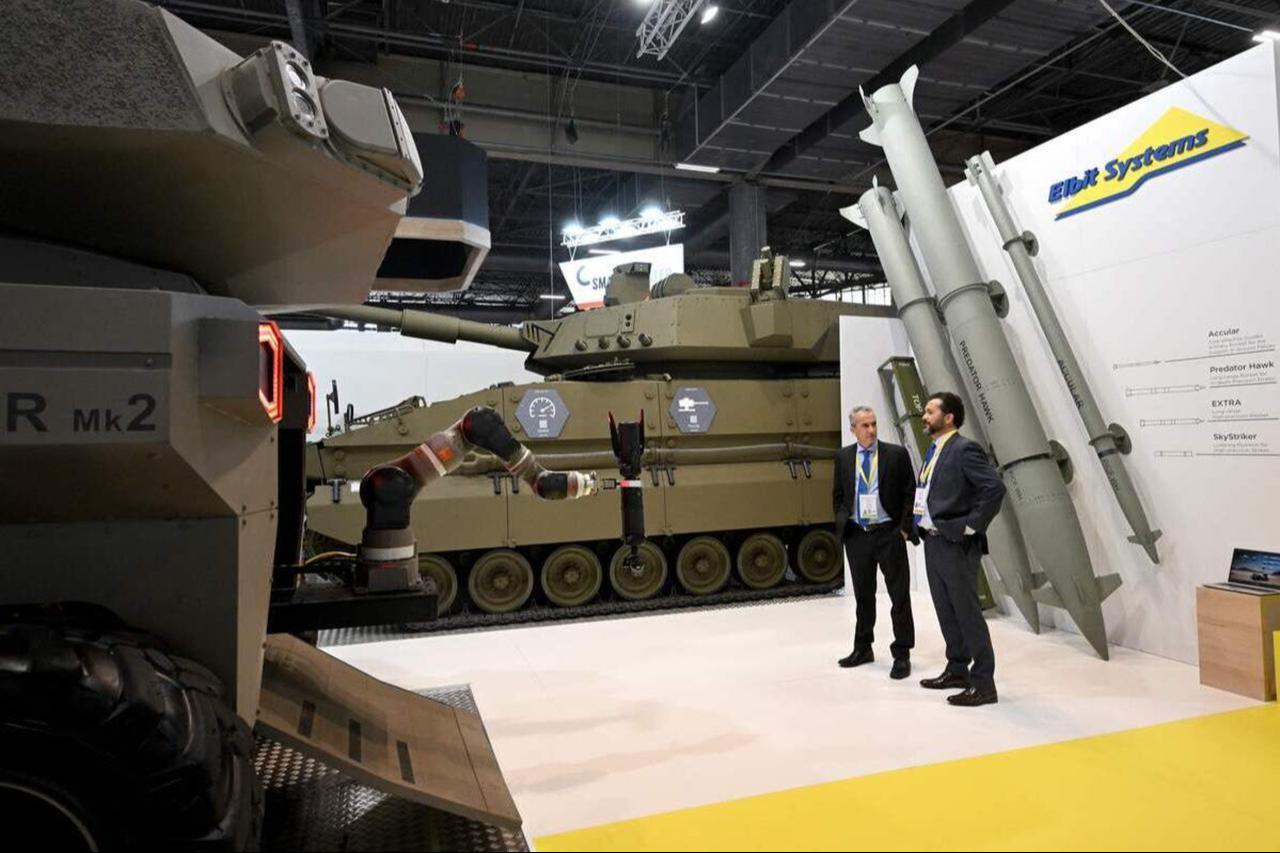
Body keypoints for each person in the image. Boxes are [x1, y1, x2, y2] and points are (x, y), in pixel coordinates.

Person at [913, 392, 1006, 707]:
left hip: (956, 543)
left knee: (967, 614)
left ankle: (984, 685)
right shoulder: (934, 449)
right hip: (934, 541)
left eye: (930, 411)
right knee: (946, 610)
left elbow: (994, 487)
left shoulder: (965, 449)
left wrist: (970, 525)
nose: (924, 417)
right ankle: (957, 670)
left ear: (948, 417)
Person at [833, 406, 917, 680]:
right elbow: (838, 494)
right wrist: (844, 523)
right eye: (864, 426)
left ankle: (902, 653)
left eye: (873, 424)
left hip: (888, 534)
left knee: (899, 596)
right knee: (863, 596)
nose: (871, 430)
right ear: (853, 430)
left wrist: (904, 530)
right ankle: (863, 647)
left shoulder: (895, 454)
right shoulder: (844, 457)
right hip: (858, 534)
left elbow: (909, 493)